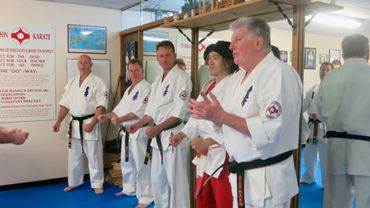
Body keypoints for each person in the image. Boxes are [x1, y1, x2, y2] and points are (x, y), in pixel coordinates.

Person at [188, 17, 302, 208]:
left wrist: (221, 116)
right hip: (242, 176)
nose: (231, 46)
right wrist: (212, 117)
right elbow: (228, 122)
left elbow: (270, 129)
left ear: (258, 41)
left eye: (237, 40)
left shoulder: (278, 73)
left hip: (267, 179)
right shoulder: (238, 77)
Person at [170, 41, 237, 208]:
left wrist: (205, 142)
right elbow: (196, 117)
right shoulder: (208, 85)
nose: (210, 62)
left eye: (216, 58)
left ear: (228, 61)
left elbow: (231, 122)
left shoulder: (234, 86)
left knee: (223, 201)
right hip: (205, 153)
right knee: (204, 199)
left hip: (223, 153)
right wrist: (182, 135)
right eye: (208, 58)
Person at [127, 40, 192, 208]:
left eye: (167, 55)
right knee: (158, 179)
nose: (164, 59)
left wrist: (158, 128)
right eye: (160, 56)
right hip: (158, 138)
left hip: (173, 135)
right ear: (157, 57)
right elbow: (150, 112)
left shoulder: (182, 78)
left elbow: (179, 114)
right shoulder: (157, 81)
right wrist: (138, 124)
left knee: (176, 182)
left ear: (174, 56)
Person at [316, 34, 370, 208]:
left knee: (336, 203)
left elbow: (321, 114)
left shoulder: (330, 78)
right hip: (366, 151)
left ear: (343, 53)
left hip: (336, 149)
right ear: (367, 52)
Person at [98, 59, 153, 208]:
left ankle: (146, 197)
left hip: (138, 131)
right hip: (126, 133)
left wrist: (120, 119)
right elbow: (119, 109)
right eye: (131, 71)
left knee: (142, 165)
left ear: (142, 71)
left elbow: (140, 111)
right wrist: (108, 115)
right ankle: (129, 188)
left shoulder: (147, 87)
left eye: (136, 70)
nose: (133, 73)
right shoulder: (129, 89)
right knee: (127, 162)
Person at [52, 55, 108, 194]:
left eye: (86, 63)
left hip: (90, 121)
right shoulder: (71, 82)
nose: (83, 65)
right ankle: (74, 182)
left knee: (94, 155)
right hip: (74, 124)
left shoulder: (98, 82)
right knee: (74, 155)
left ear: (91, 65)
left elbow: (101, 105)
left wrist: (93, 123)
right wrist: (58, 121)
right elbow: (65, 104)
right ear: (77, 65)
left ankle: (97, 183)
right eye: (81, 63)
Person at [300, 62, 333, 187]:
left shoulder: (335, 90)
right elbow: (303, 106)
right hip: (312, 128)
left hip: (326, 128)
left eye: (327, 70)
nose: (324, 72)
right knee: (309, 155)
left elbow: (334, 110)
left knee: (325, 159)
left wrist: (319, 116)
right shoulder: (313, 89)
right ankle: (309, 177)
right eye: (322, 69)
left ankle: (327, 184)